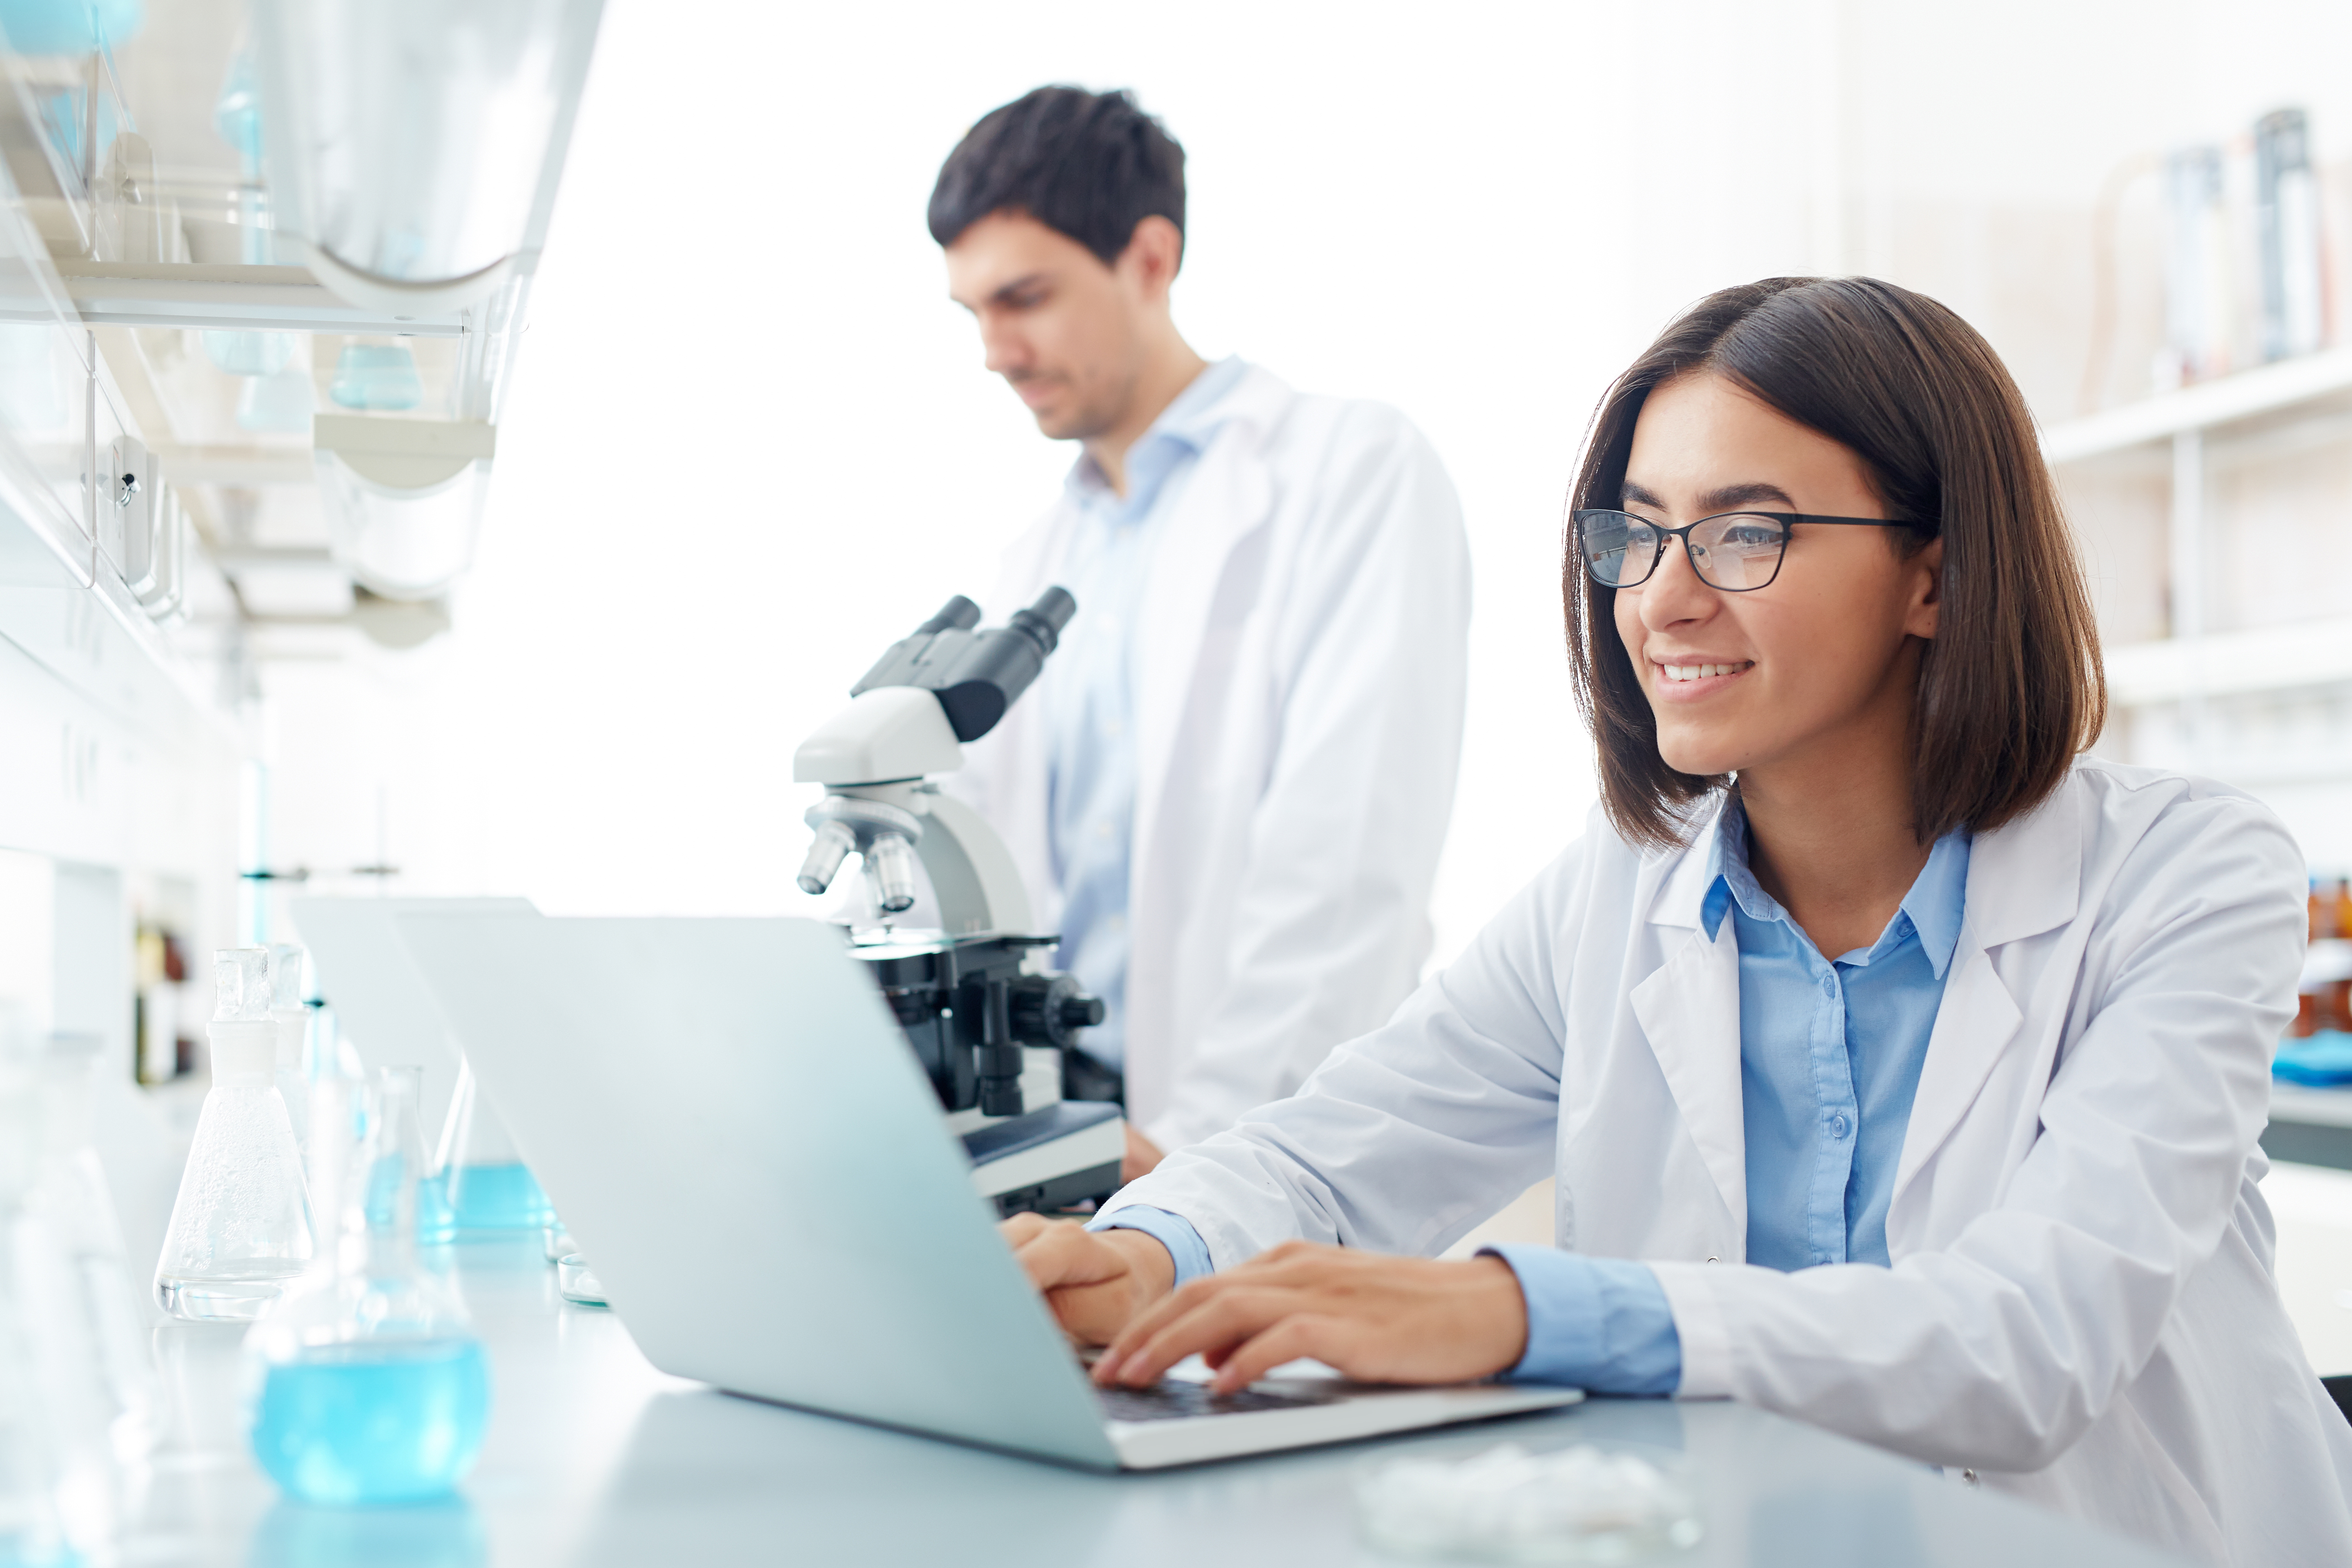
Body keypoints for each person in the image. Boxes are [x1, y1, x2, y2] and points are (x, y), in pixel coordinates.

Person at [1001, 277, 2352, 1564]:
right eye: (1634, 533)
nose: (1660, 599)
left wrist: (1515, 1311)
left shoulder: (2187, 878)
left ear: (1935, 577)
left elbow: (2028, 1340)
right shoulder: (1616, 888)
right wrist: (1140, 1255)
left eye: (1747, 532)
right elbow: (1327, 1156)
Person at [928, 87, 1471, 1181]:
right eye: (973, 311)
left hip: (1253, 1137)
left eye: (1024, 298)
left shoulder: (1350, 473)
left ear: (1149, 258)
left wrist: (1197, 1152)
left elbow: (1346, 866)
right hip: (1068, 1137)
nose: (996, 349)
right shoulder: (1034, 563)